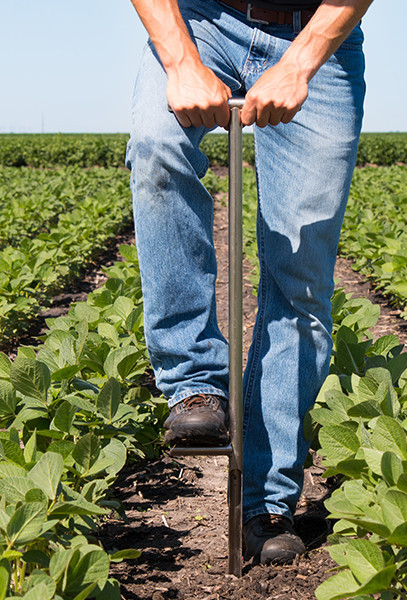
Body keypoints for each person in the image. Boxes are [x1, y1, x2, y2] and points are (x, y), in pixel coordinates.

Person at [126, 0, 371, 565]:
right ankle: (195, 385)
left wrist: (300, 63)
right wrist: (181, 62)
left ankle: (268, 501)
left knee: (300, 274)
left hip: (316, 34)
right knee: (157, 146)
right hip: (200, 21)